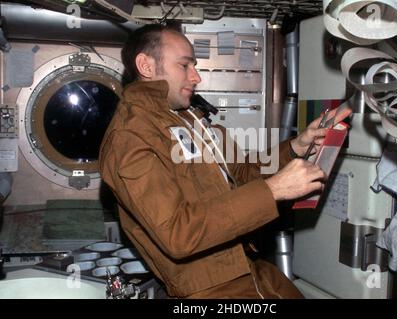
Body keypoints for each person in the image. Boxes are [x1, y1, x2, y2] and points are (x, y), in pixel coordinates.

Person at [99, 24, 352, 299]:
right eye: (185, 66)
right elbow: (178, 233)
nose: (196, 77)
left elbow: (240, 173)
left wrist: (295, 147)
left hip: (250, 269)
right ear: (146, 66)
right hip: (208, 289)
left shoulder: (186, 118)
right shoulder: (130, 137)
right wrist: (274, 190)